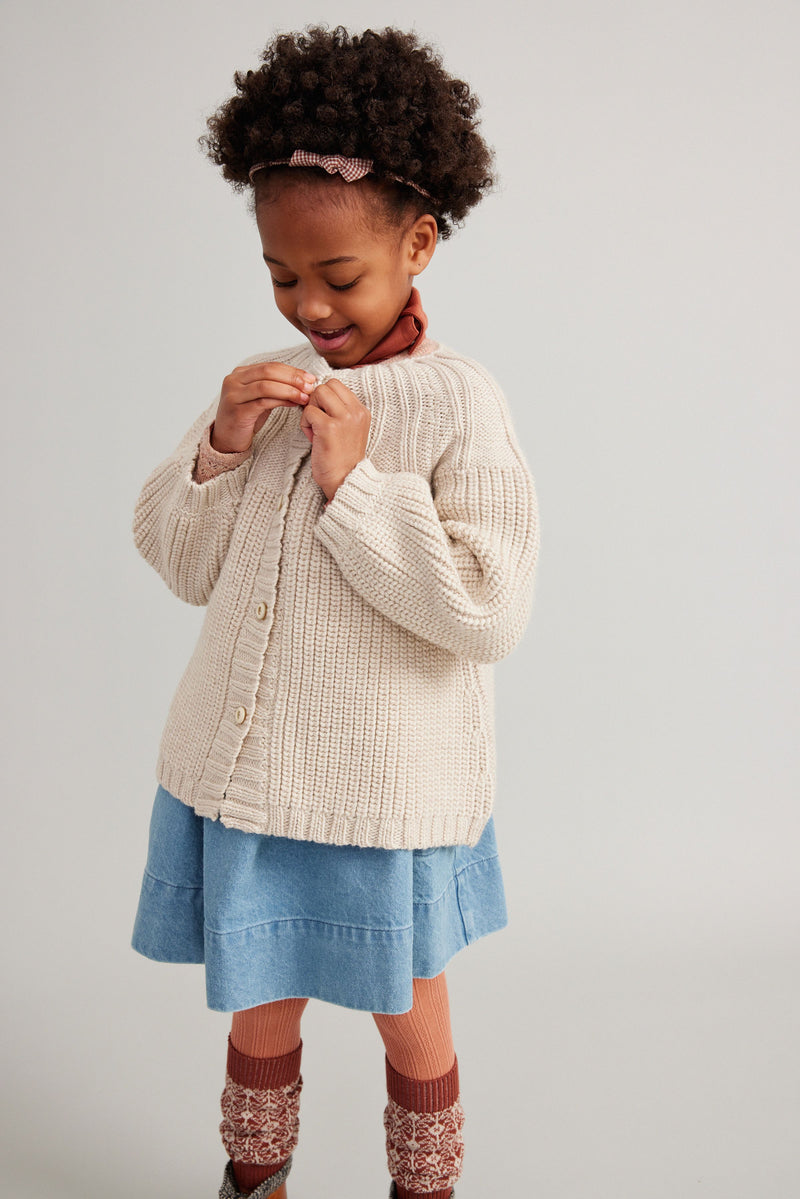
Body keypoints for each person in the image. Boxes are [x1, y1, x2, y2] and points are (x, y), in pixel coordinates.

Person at [131, 24, 541, 1199]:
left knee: (409, 1014)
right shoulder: (269, 391)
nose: (307, 303)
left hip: (382, 794)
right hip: (247, 781)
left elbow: (487, 605)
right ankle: (253, 1178)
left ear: (416, 245)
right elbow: (181, 562)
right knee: (258, 1002)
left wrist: (357, 488)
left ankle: (425, 1187)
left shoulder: (458, 403)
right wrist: (220, 446)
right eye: (280, 274)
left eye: (339, 275)